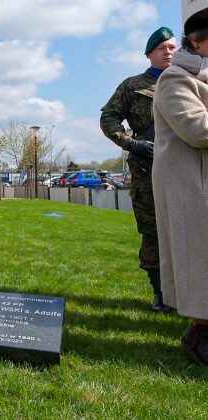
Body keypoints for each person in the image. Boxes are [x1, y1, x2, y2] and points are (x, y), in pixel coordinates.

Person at [100, 27, 177, 312]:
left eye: (172, 47)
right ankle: (161, 294)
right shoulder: (133, 86)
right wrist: (132, 144)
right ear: (149, 54)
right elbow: (109, 118)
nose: (168, 52)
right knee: (154, 231)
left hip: (186, 169)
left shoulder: (190, 80)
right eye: (162, 49)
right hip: (148, 171)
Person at [153, 8, 208, 367]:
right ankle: (200, 335)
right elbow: (196, 130)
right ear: (198, 42)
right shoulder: (175, 78)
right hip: (192, 187)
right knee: (198, 264)